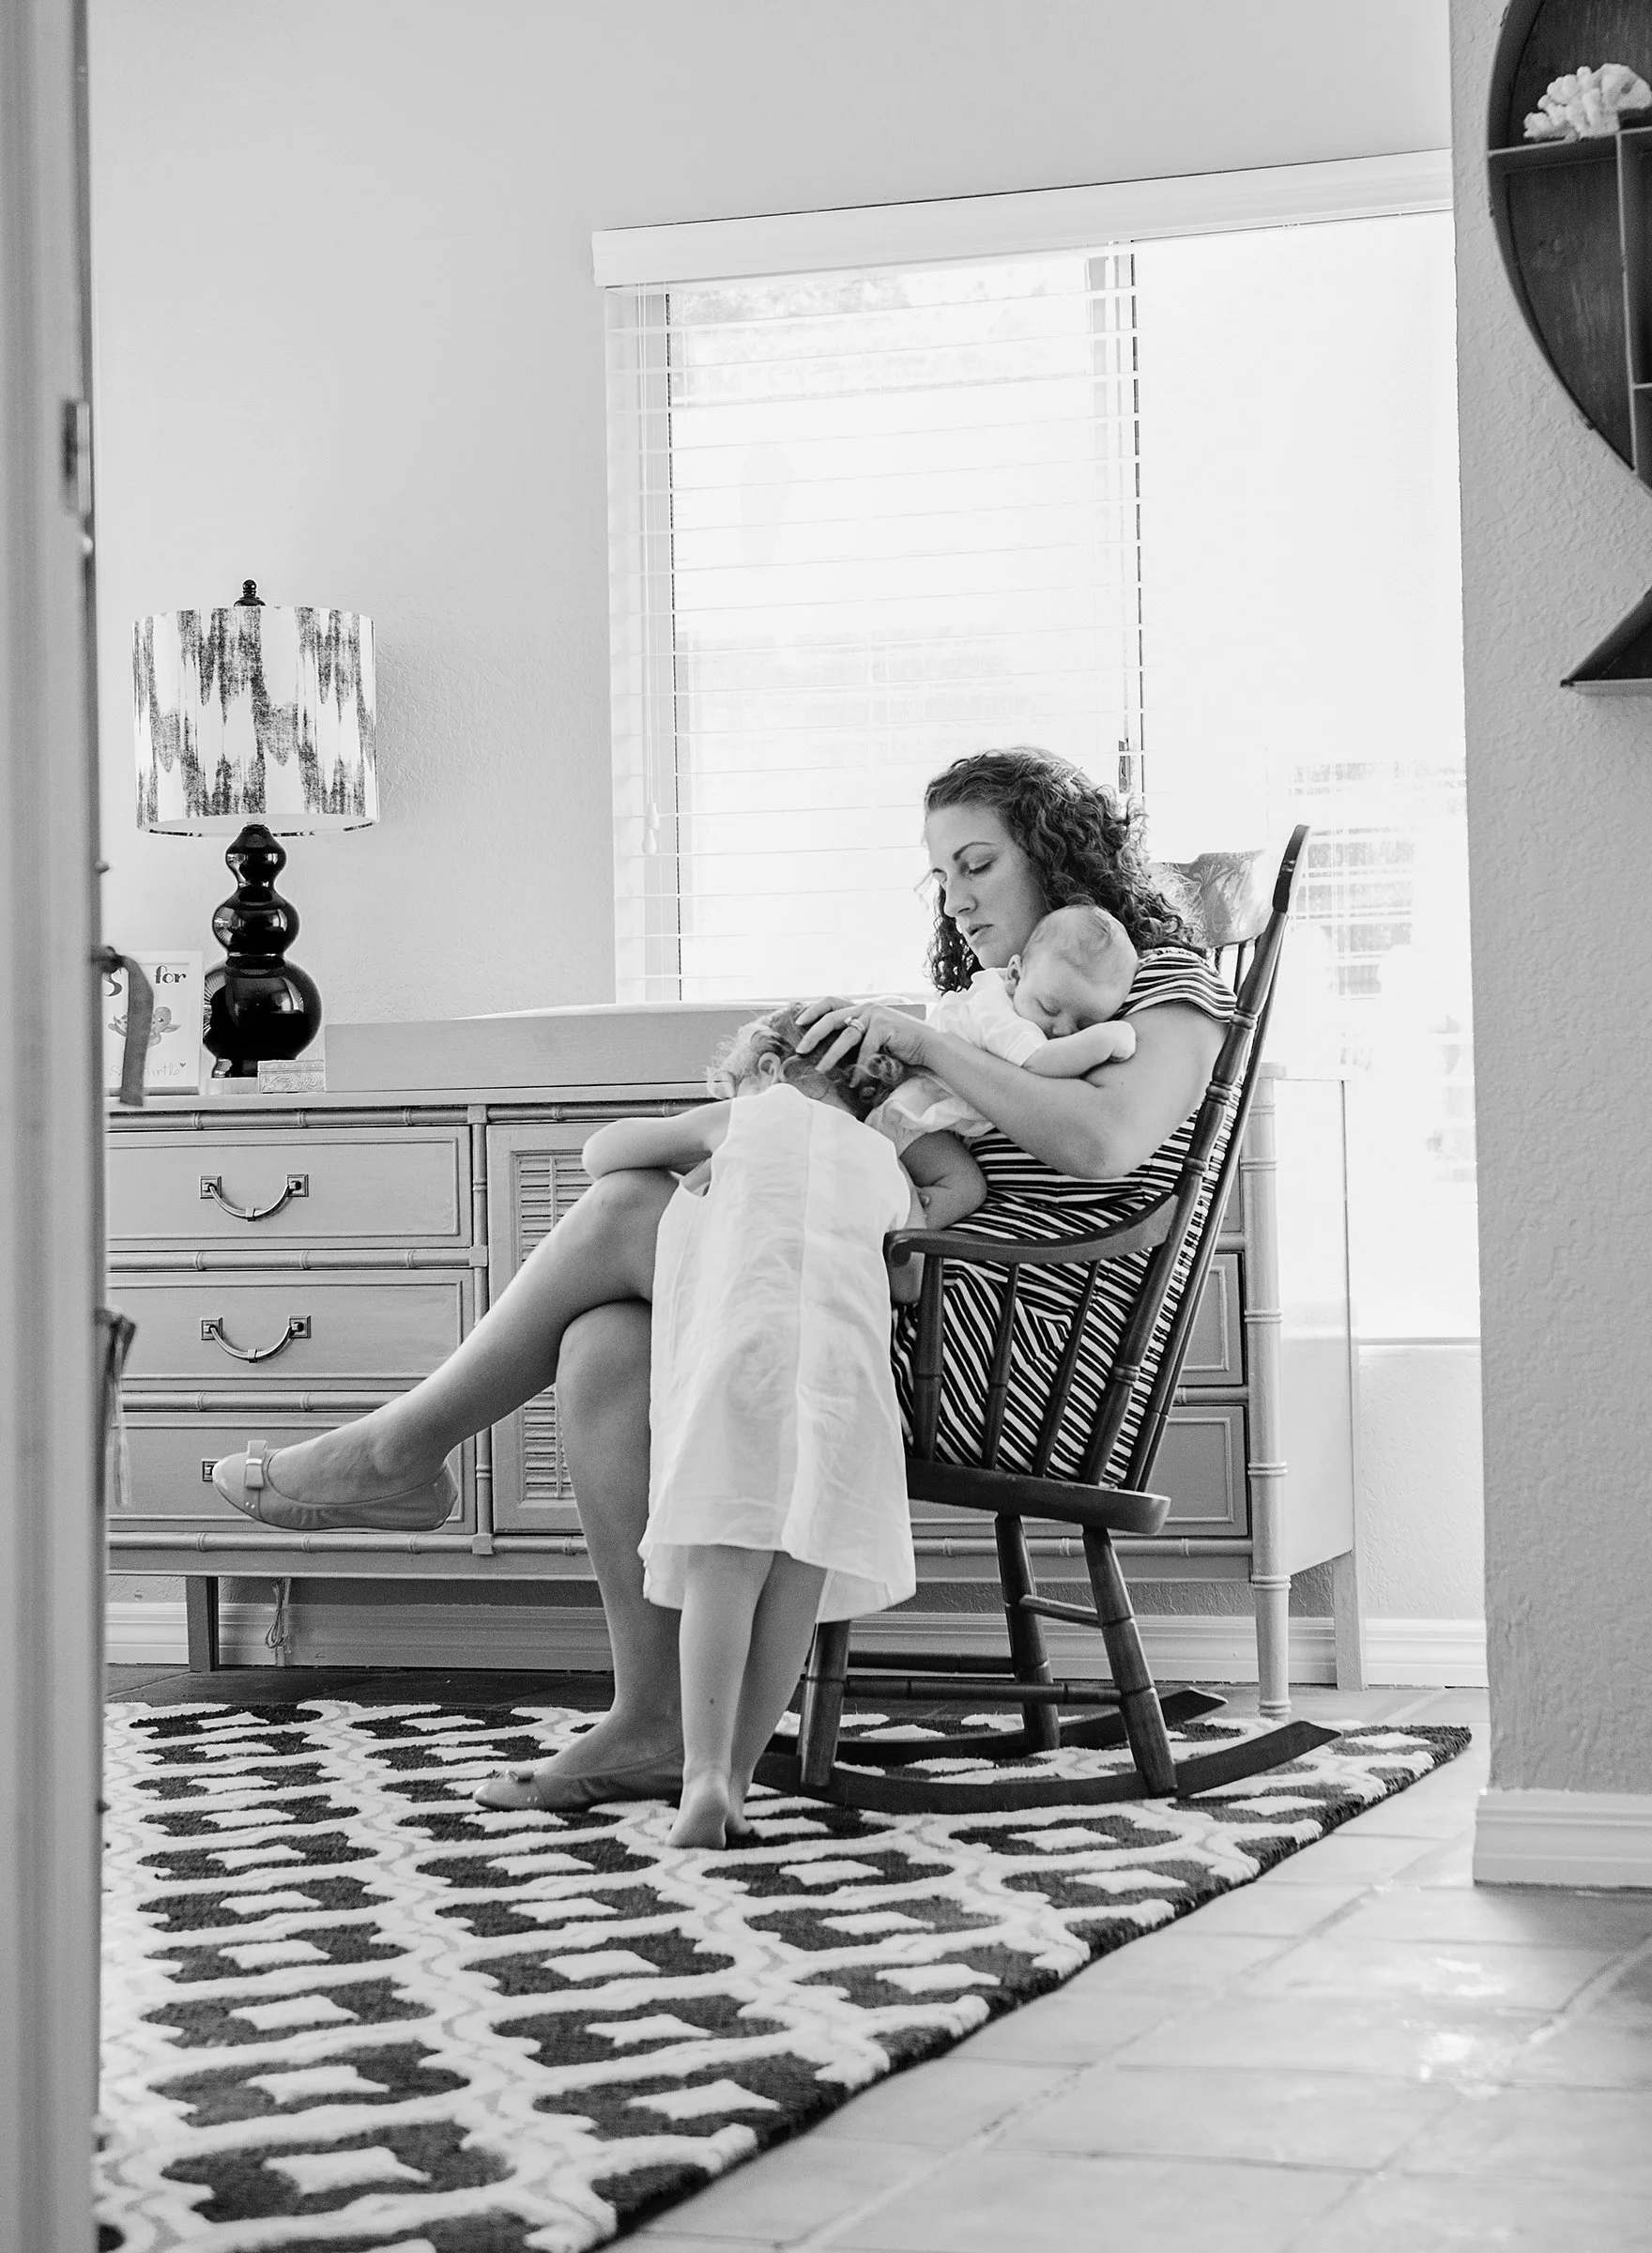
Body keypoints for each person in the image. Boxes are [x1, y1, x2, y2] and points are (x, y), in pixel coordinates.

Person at [210, 746, 1231, 1814]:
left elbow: (1105, 1142)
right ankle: (653, 1719)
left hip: (1020, 1346)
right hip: (918, 1295)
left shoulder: (1165, 984)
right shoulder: (997, 1003)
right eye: (941, 877)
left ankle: (397, 1451)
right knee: (603, 1340)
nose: (957, 899)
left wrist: (919, 1047)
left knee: (624, 1206)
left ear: (1060, 859)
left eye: (978, 865)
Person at [577, 1009, 983, 1847]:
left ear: (766, 1069)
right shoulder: (881, 1163)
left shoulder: (740, 1120)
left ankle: (699, 1773)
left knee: (723, 1568)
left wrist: (698, 1153)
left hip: (741, 1371)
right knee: (796, 1585)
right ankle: (736, 1782)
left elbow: (602, 1153)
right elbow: (910, 1280)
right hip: (845, 1395)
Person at [870, 899, 1140, 1153]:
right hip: (909, 1120)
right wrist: (1107, 1037)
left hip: (918, 1117)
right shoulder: (999, 1014)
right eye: (1049, 1008)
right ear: (1015, 975)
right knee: (961, 1183)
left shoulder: (1014, 991)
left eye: (1085, 1024)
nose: (1062, 1031)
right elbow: (1039, 1063)